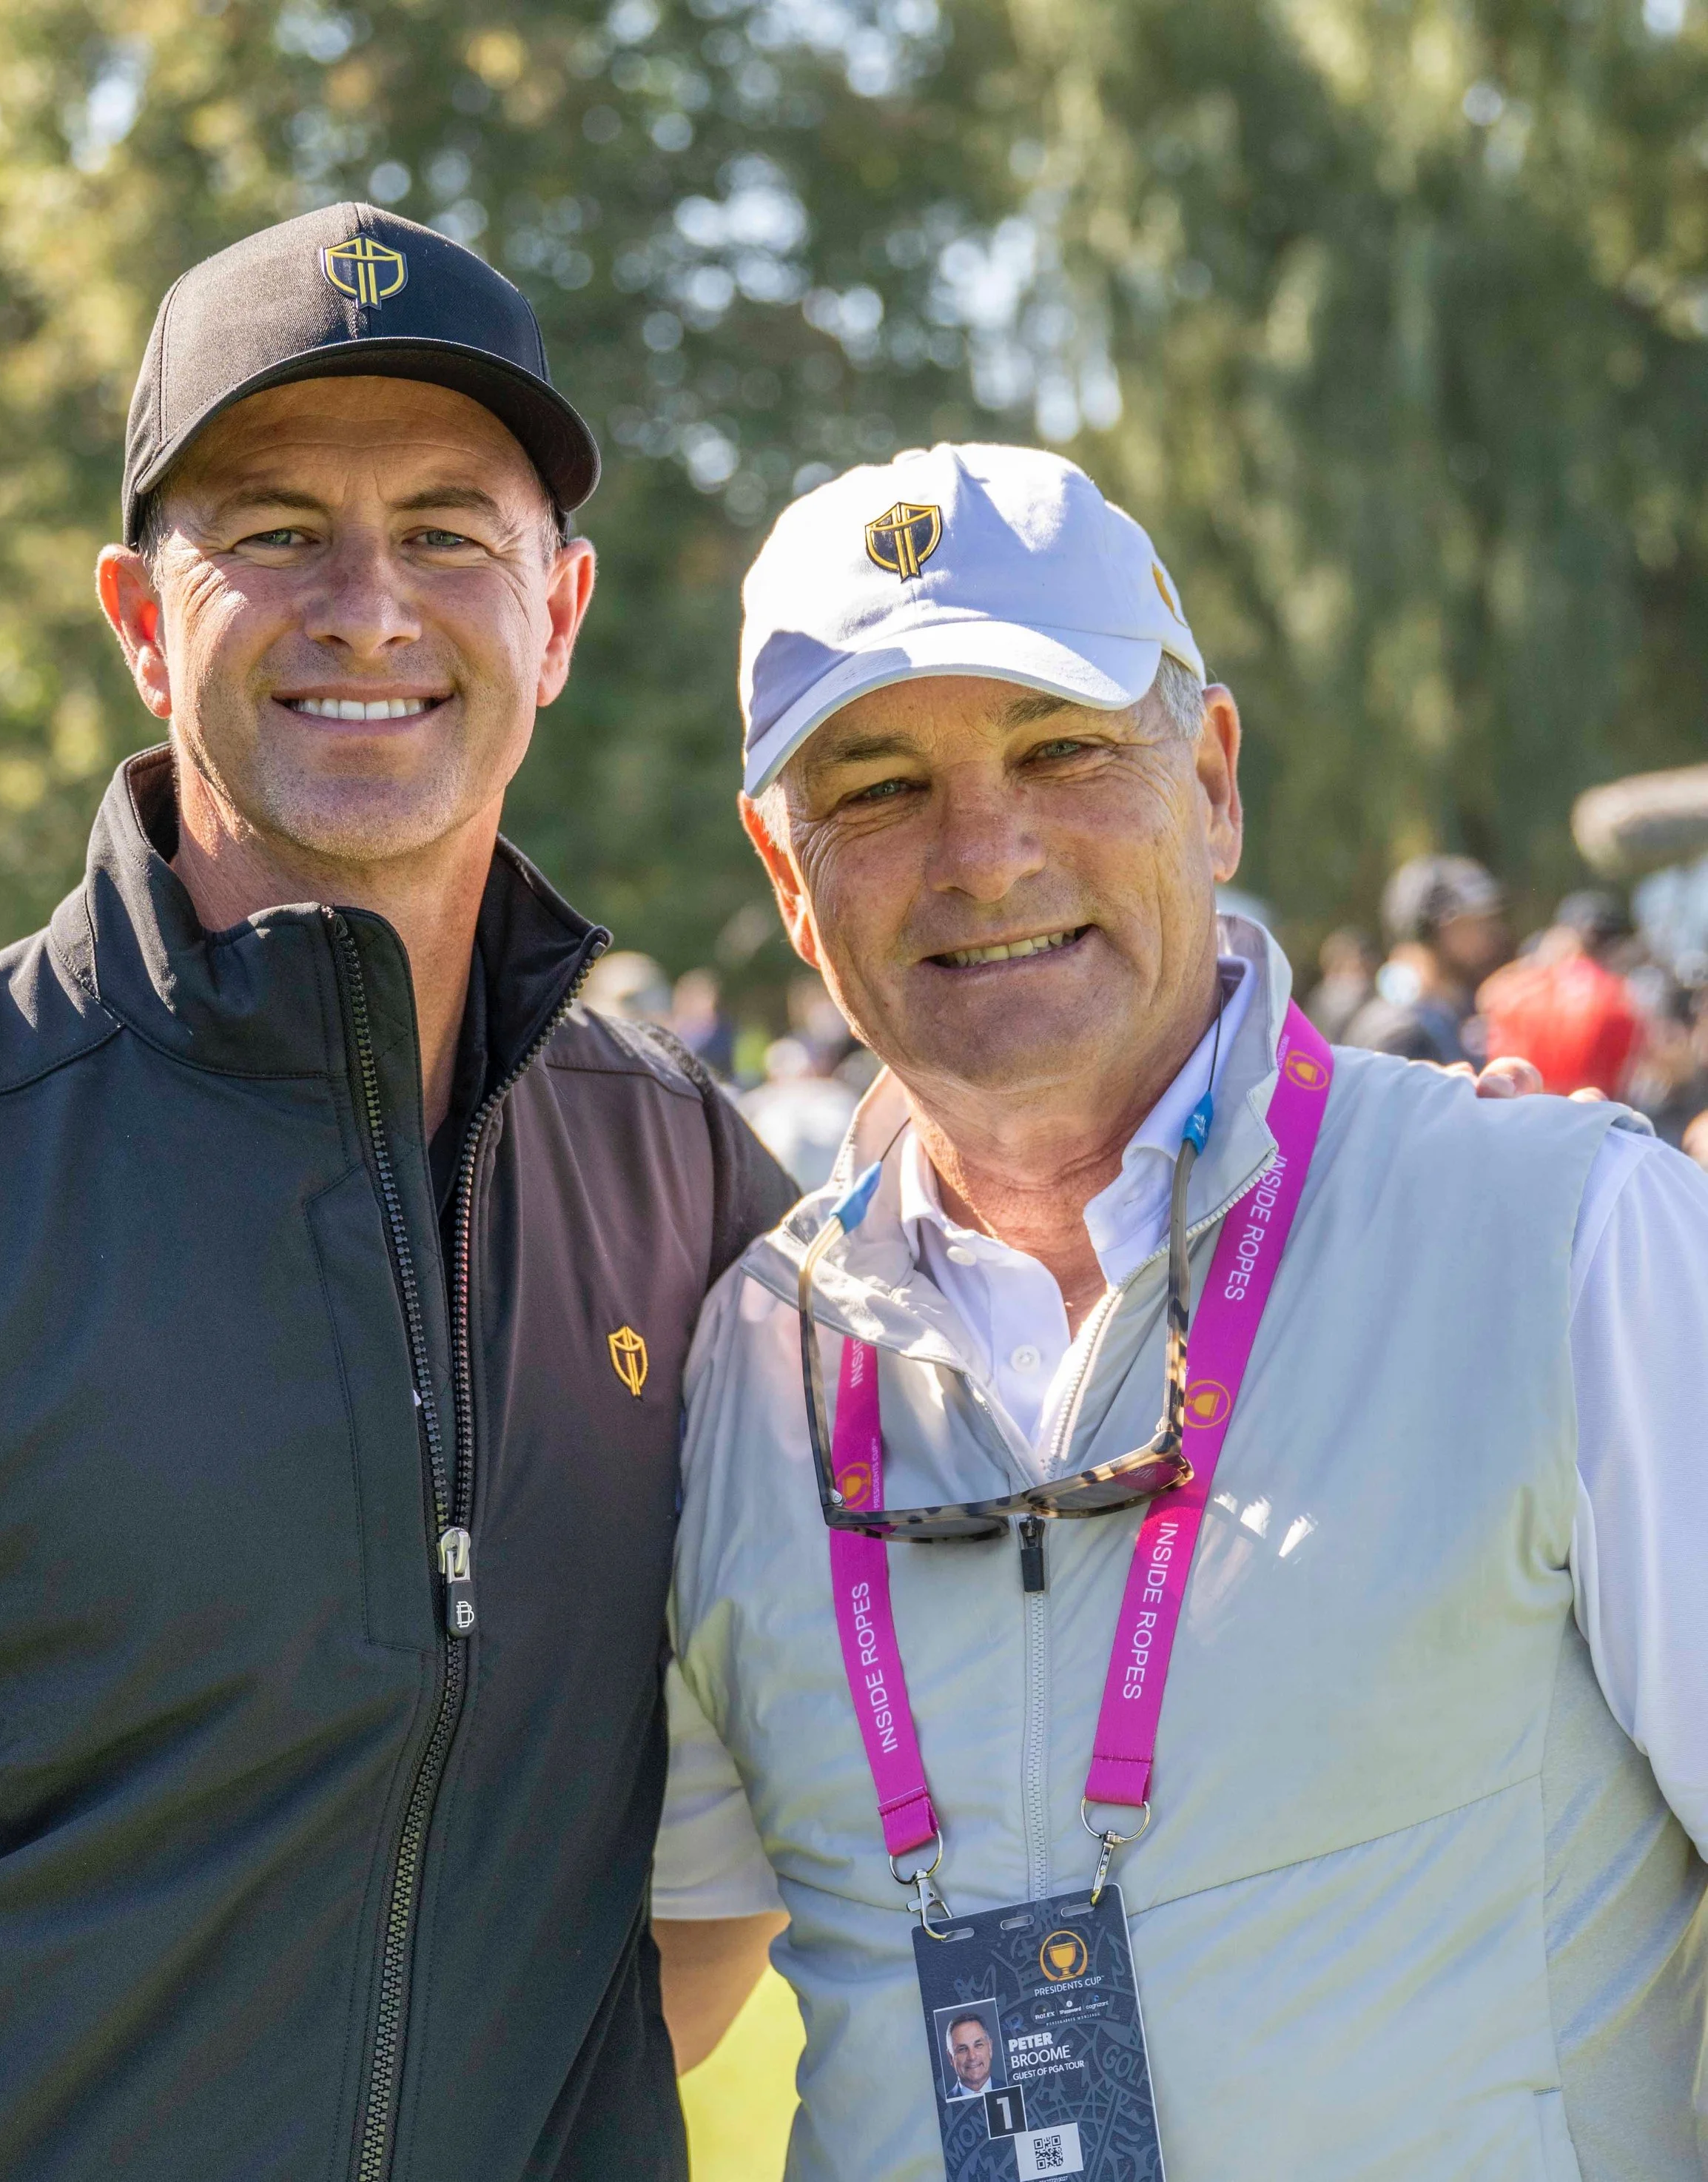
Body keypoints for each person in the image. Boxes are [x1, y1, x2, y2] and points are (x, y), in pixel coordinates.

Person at [0, 204, 795, 2182]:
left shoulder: (693, 1186)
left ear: (556, 612)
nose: (366, 605)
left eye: (448, 532)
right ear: (136, 612)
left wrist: (1377, 1176)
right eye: (275, 530)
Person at [648, 444, 1708, 2179]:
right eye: (881, 785)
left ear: (1211, 781)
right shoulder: (748, 1368)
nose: (983, 854)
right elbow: (667, 1968)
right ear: (787, 874)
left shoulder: (1567, 1235)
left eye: (1060, 749)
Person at [1341, 852, 1511, 1063]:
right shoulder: (1399, 1032)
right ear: (1430, 930)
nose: (1484, 934)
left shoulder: (1458, 1009)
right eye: (1469, 923)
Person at [1478, 889, 1644, 1098]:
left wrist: (1536, 961)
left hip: (1516, 1111)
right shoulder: (1622, 996)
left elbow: (1485, 998)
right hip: (1590, 1113)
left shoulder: (1516, 989)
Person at [941, 2013, 998, 2099]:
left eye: (978, 2045)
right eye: (962, 2049)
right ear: (951, 2058)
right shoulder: (944, 2108)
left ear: (990, 2048)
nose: (972, 2057)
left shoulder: (1011, 2088)